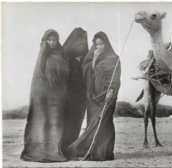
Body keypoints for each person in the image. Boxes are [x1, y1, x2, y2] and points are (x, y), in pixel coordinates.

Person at [64, 31, 121, 161]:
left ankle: (106, 152)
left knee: (104, 123)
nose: (99, 47)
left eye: (102, 44)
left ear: (106, 44)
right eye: (97, 45)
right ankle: (93, 151)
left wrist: (112, 89)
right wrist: (94, 60)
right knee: (92, 124)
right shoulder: (91, 59)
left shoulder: (115, 58)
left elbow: (117, 77)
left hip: (108, 95)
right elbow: (86, 74)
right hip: (93, 96)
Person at [20, 29, 69, 162]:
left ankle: (54, 151)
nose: (52, 43)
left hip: (57, 95)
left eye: (55, 40)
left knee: (56, 121)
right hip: (42, 95)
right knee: (42, 121)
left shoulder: (62, 55)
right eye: (49, 40)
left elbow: (66, 74)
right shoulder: (42, 56)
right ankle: (38, 151)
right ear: (45, 41)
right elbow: (38, 78)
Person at [61, 27, 89, 151]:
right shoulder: (65, 55)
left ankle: (70, 148)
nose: (82, 42)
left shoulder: (86, 56)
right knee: (66, 122)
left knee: (76, 122)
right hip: (68, 95)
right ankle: (62, 148)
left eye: (84, 39)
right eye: (80, 39)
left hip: (81, 96)